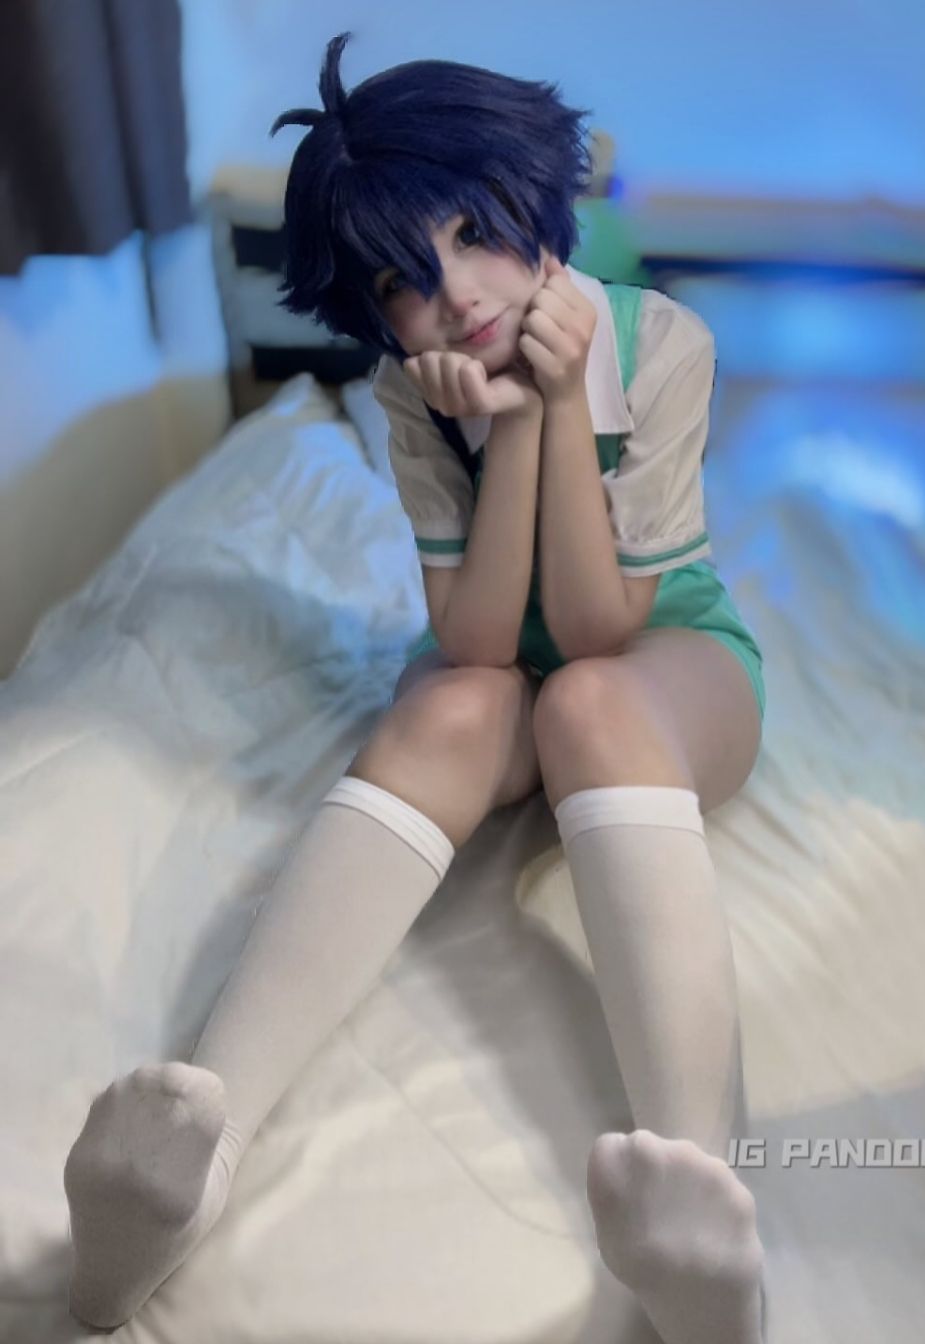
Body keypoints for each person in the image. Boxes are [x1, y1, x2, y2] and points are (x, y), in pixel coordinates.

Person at [63, 31, 768, 1341]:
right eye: (403, 277)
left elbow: (599, 631)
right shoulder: (409, 390)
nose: (453, 293)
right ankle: (193, 1157)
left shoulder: (664, 341)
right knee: (446, 704)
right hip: (504, 658)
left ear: (533, 202)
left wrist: (559, 400)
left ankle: (703, 1206)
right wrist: (512, 422)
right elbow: (483, 642)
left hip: (661, 655)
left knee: (589, 706)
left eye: (472, 232)